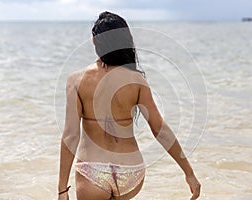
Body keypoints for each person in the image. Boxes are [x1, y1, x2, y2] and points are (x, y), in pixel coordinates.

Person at [58, 11, 201, 200]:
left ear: (94, 40)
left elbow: (71, 135)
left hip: (92, 172)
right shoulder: (136, 80)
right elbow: (160, 129)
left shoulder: (76, 80)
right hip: (131, 173)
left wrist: (62, 189)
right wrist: (188, 173)